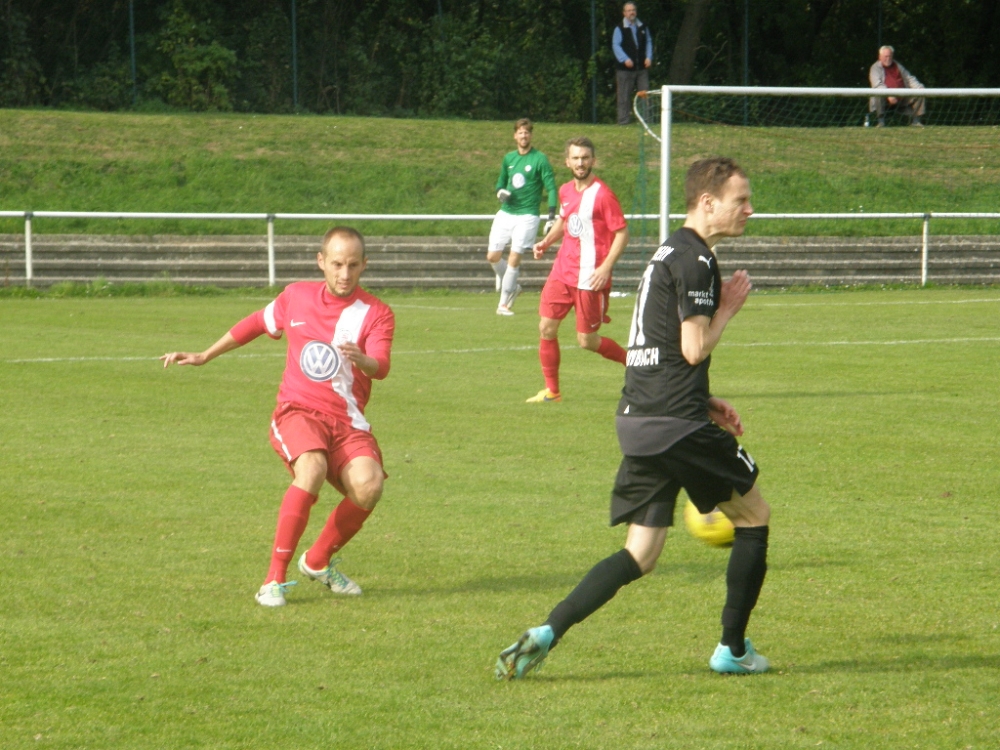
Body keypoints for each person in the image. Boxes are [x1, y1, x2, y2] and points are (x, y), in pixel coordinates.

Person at [497, 157, 771, 679]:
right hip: (676, 423)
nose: (749, 209)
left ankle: (548, 630)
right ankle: (732, 649)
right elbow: (692, 348)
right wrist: (728, 309)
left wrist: (703, 399)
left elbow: (654, 347)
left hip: (640, 418)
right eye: (741, 200)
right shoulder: (698, 259)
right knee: (754, 516)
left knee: (640, 554)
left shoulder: (667, 250)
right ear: (707, 203)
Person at [161, 227, 394, 607]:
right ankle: (273, 580)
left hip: (347, 421)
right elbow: (257, 322)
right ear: (321, 262)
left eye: (353, 265)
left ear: (364, 265)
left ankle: (317, 561)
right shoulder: (296, 296)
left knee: (369, 485)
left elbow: (381, 366)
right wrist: (205, 355)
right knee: (312, 468)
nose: (344, 274)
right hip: (298, 410)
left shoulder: (377, 313)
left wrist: (362, 359)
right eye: (337, 264)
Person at [526, 136, 629, 403]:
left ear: (593, 160)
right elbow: (565, 220)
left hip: (590, 278)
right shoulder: (565, 190)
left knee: (587, 341)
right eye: (576, 158)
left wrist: (605, 268)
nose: (580, 163)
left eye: (585, 158)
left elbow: (622, 233)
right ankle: (552, 391)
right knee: (546, 327)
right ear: (567, 162)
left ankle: (633, 363)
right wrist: (546, 242)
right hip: (562, 272)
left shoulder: (603, 195)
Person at [487, 118, 558, 316]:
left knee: (514, 256)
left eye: (527, 132)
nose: (523, 135)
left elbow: (551, 188)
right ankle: (513, 287)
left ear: (531, 135)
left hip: (528, 215)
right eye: (520, 132)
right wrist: (500, 192)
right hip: (506, 213)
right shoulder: (508, 158)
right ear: (515, 136)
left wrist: (551, 215)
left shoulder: (540, 159)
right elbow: (500, 183)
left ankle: (504, 303)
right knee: (492, 256)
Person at [612, 2, 653, 126]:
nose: (631, 12)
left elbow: (649, 42)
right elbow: (616, 45)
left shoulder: (643, 27)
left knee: (645, 95)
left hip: (641, 68)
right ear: (624, 13)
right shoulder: (619, 28)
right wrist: (624, 59)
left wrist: (649, 57)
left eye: (633, 10)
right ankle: (623, 121)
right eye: (629, 10)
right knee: (624, 96)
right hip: (624, 70)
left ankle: (646, 121)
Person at [869, 45, 925, 127]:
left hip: (902, 97)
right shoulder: (875, 68)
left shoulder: (898, 66)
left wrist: (919, 87)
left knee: (920, 92)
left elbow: (909, 78)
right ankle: (881, 122)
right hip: (885, 99)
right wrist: (889, 94)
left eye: (890, 56)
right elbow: (877, 84)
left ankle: (916, 122)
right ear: (880, 57)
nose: (888, 58)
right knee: (878, 94)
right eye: (886, 56)